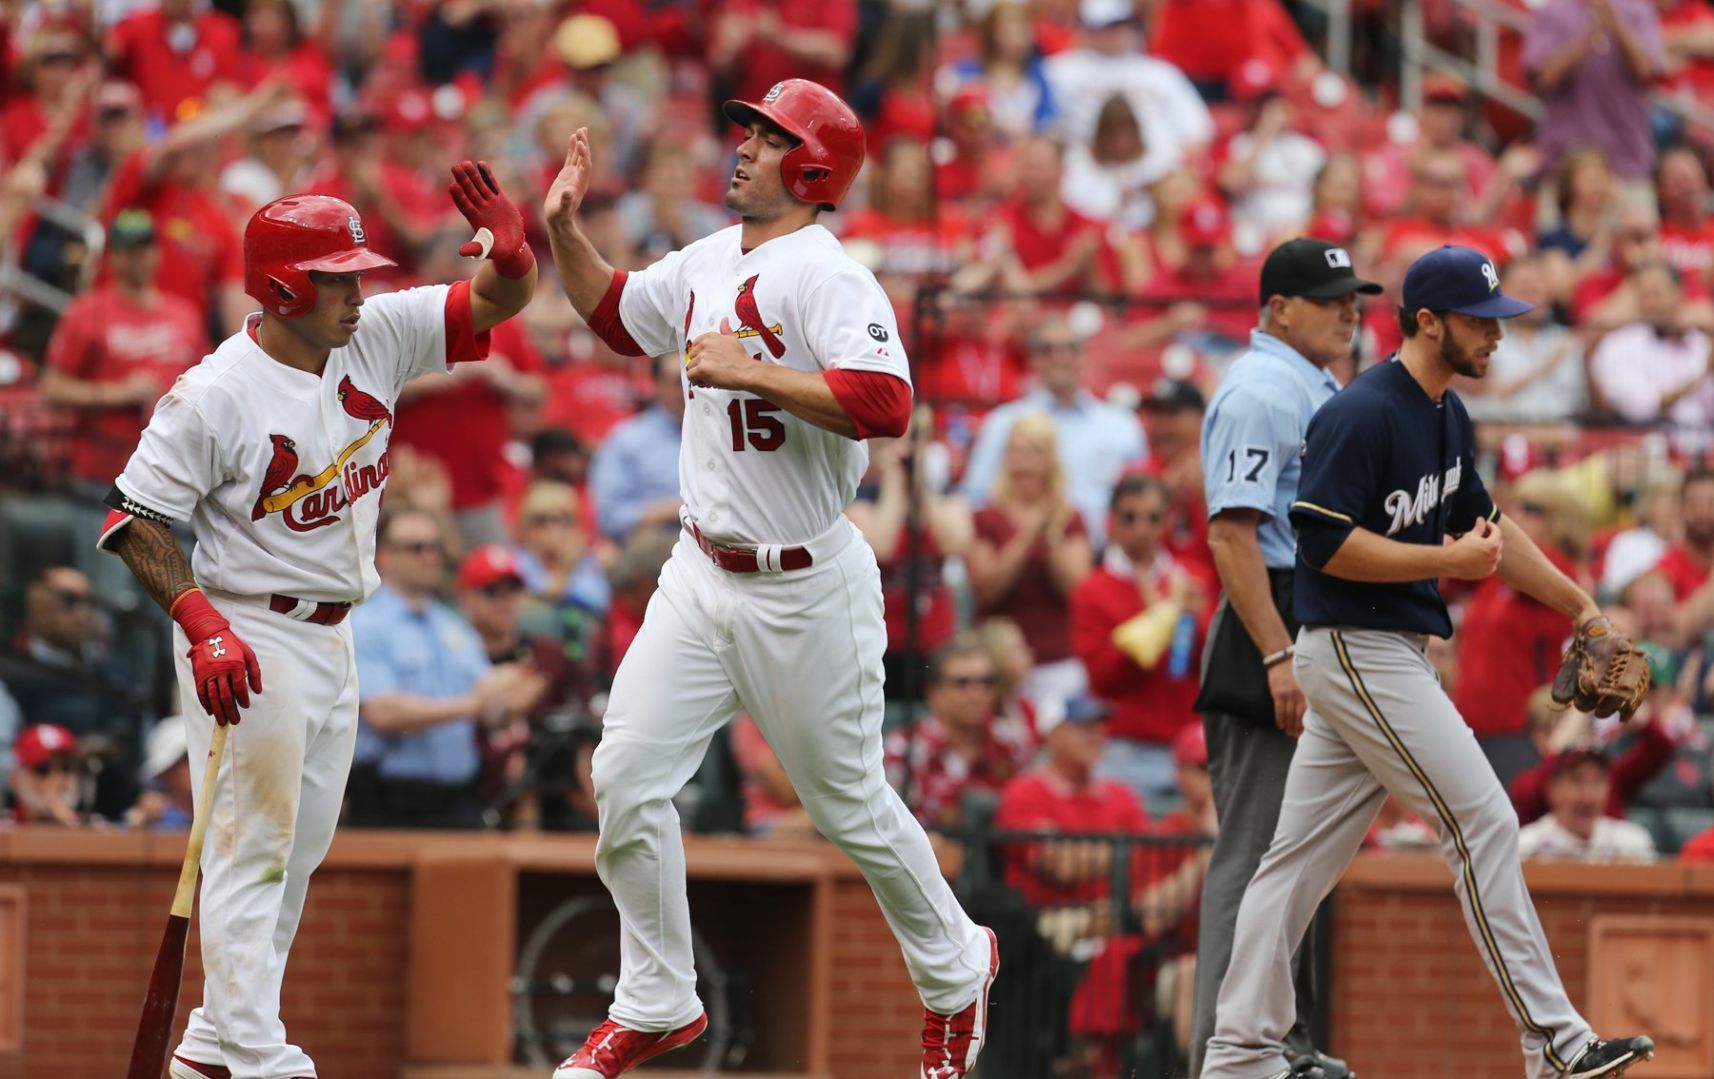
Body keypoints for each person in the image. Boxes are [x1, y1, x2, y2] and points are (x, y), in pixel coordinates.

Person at [541, 78, 999, 1078]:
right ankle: (656, 995)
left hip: (805, 581)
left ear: (814, 166)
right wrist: (561, 230)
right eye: (744, 128)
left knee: (846, 806)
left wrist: (753, 369)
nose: (742, 145)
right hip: (701, 571)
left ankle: (958, 964)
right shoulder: (712, 255)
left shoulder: (828, 273)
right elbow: (619, 318)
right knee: (623, 775)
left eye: (767, 135)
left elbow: (887, 402)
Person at [95, 161, 536, 1078]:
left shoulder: (373, 336)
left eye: (356, 273)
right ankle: (259, 1050)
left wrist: (516, 251)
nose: (355, 290)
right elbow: (130, 519)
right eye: (337, 276)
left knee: (297, 849)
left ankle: (215, 1042)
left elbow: (495, 300)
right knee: (254, 841)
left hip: (335, 630)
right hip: (248, 626)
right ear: (285, 286)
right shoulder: (217, 390)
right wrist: (201, 622)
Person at [1202, 245, 1655, 1079]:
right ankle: (1554, 1043)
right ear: (1426, 321)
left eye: (1499, 321)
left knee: (1295, 859)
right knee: (1482, 817)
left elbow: (1490, 532)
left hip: (1383, 648)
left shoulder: (1446, 413)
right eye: (1481, 322)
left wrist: (1581, 605)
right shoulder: (1365, 410)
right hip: (1354, 646)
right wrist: (1440, 560)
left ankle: (1237, 1054)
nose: (1497, 337)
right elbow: (1323, 543)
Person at [1190, 237, 1379, 1079]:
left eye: (1354, 297)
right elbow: (1233, 533)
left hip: (1302, 614)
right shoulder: (1265, 389)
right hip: (1270, 620)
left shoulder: (1308, 384)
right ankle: (1222, 1056)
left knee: (1293, 855)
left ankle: (1278, 1046)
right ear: (1277, 309)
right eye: (1332, 297)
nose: (1351, 310)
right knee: (1258, 852)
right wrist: (1276, 653)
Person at [349, 510, 547, 830]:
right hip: (388, 804)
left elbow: (490, 705)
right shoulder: (365, 624)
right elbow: (382, 712)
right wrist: (472, 705)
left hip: (458, 801)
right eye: (417, 548)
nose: (430, 557)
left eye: (435, 547)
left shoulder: (452, 626)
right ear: (383, 555)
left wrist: (513, 698)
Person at [1070, 473, 1213, 811]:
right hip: (1124, 749)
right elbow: (1103, 677)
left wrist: (1191, 619)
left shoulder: (1192, 576)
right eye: (1129, 517)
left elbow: (1212, 660)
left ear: (1166, 521)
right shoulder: (1092, 589)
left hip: (1190, 748)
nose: (1141, 528)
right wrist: (1155, 622)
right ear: (1112, 522)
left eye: (1153, 517)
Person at [38, 209, 208, 489]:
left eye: (147, 248)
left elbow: (207, 381)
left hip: (172, 471)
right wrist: (119, 392)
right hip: (103, 473)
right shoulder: (87, 311)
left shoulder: (185, 314)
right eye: (131, 250)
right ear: (113, 257)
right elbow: (52, 388)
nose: (141, 258)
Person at [960, 314, 1147, 544]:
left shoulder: (1121, 425)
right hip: (1024, 558)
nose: (1061, 358)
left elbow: (1143, 495)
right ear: (1033, 359)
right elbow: (977, 497)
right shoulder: (1003, 423)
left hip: (1105, 555)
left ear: (1084, 355)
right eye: (1048, 350)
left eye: (1071, 349)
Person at [966, 414, 1095, 706]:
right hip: (997, 661)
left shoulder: (1070, 518)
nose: (1024, 462)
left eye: (1035, 452)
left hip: (1057, 658)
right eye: (1016, 451)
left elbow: (1077, 590)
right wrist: (1029, 533)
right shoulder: (985, 517)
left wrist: (1049, 535)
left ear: (1050, 460)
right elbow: (987, 588)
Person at [884, 637, 1036, 831]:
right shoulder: (907, 747)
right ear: (934, 693)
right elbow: (891, 824)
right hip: (928, 855)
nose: (976, 693)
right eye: (962, 683)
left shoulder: (1012, 743)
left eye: (987, 682)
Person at [588, 352, 687, 543]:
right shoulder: (627, 440)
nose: (686, 388)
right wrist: (677, 509)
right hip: (657, 542)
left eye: (693, 380)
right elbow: (609, 518)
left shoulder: (720, 432)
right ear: (657, 386)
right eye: (677, 381)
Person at [1515, 750, 1657, 861]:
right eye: (1577, 781)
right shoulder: (1527, 847)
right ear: (1553, 789)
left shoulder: (1633, 843)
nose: (1588, 797)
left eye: (1597, 782)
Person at [5, 723, 84, 827]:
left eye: (66, 768)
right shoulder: (4, 829)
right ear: (15, 778)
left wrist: (70, 823)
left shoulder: (99, 829)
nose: (57, 780)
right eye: (42, 770)